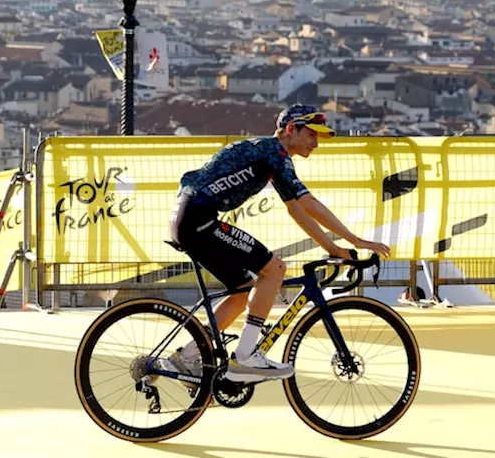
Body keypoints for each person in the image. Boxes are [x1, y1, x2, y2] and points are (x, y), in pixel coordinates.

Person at [159, 103, 391, 382]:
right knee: (274, 269)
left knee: (242, 289)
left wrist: (334, 249)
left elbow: (297, 210)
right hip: (198, 218)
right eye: (312, 134)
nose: (316, 143)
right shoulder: (275, 153)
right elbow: (309, 203)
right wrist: (354, 241)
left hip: (189, 217)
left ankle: (186, 358)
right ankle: (245, 357)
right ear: (291, 129)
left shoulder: (270, 156)